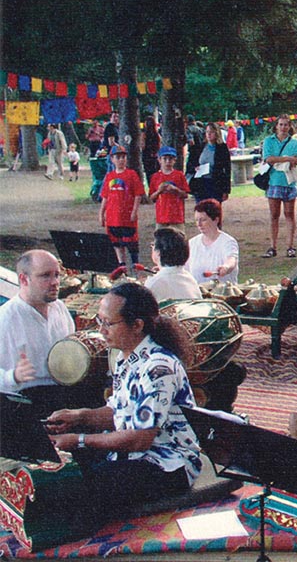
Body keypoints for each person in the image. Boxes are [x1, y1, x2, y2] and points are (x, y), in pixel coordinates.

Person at [45, 282, 202, 534]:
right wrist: (78, 417)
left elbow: (140, 438)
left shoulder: (158, 367)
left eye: (108, 323)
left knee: (90, 488)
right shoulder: (126, 358)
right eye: (100, 320)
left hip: (169, 463)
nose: (101, 329)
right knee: (61, 467)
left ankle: (73, 546)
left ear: (137, 325)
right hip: (135, 453)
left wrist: (80, 439)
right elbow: (119, 414)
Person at [0, 250, 98, 417]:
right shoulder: (5, 318)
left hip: (64, 389)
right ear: (24, 279)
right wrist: (13, 376)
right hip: (24, 400)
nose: (55, 282)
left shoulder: (59, 307)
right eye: (45, 276)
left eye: (57, 275)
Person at [261, 114, 297, 259]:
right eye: (281, 124)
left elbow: (296, 159)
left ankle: (290, 246)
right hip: (274, 181)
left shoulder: (294, 142)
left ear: (289, 126)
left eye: (286, 125)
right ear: (276, 126)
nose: (283, 127)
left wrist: (287, 160)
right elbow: (269, 159)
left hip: (289, 181)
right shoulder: (268, 141)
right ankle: (273, 246)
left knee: (290, 214)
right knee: (274, 215)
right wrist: (287, 158)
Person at [99, 145, 145, 268]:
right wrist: (101, 213)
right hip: (112, 216)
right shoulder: (110, 176)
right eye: (118, 157)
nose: (121, 160)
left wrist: (135, 210)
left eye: (123, 157)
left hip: (127, 216)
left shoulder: (131, 174)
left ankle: (135, 266)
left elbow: (138, 194)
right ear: (112, 159)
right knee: (117, 243)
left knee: (131, 242)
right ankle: (122, 266)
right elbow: (105, 196)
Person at [187, 199, 239, 284]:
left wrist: (226, 267)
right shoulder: (192, 243)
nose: (199, 224)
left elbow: (232, 259)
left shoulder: (228, 242)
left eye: (203, 220)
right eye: (196, 220)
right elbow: (184, 268)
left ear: (216, 219)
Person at [145, 228, 202, 302]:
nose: (152, 248)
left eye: (153, 245)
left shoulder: (154, 284)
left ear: (158, 252)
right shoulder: (190, 279)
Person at [186, 122, 231, 203]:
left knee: (214, 210)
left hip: (215, 183)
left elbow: (227, 169)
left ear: (217, 133)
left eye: (211, 132)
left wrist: (226, 190)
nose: (209, 134)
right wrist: (195, 168)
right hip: (201, 183)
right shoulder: (200, 147)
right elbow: (190, 163)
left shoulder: (222, 148)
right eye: (207, 132)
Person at [149, 146, 190, 231]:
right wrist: (159, 191)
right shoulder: (155, 177)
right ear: (159, 160)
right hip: (161, 217)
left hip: (177, 216)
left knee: (178, 240)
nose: (168, 161)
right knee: (160, 241)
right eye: (165, 159)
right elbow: (151, 198)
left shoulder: (179, 175)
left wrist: (176, 190)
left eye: (170, 159)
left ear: (174, 160)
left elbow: (185, 194)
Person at [142, 115, 161, 183]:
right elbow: (159, 146)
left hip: (146, 157)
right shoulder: (157, 135)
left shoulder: (144, 135)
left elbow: (142, 146)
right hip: (155, 157)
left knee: (149, 175)